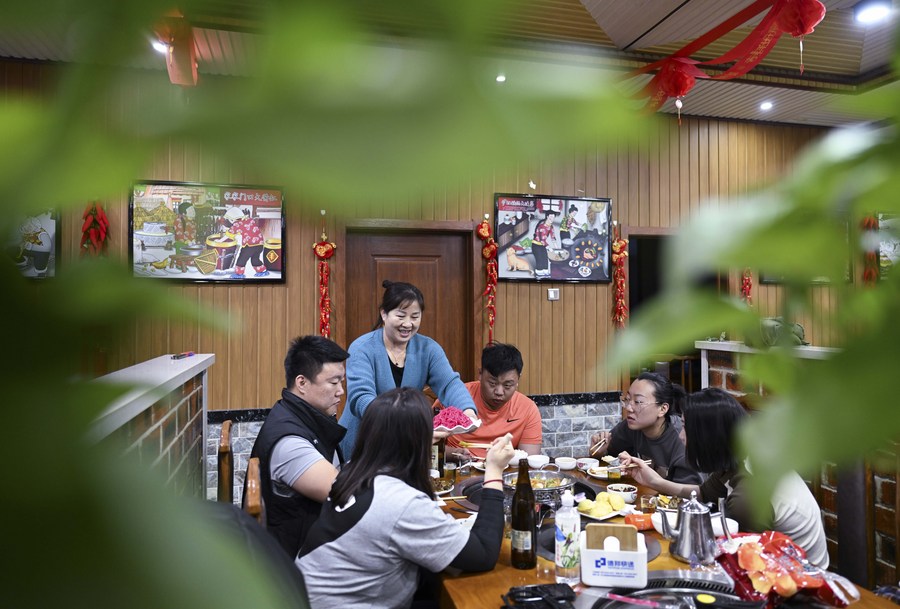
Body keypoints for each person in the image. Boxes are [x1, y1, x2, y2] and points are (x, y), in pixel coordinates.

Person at [297, 388, 514, 609]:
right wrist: (494, 470)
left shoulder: (352, 472)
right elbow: (484, 554)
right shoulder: (399, 503)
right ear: (416, 440)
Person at [623, 388, 829, 569]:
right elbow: (703, 493)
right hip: (768, 561)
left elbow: (746, 561)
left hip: (801, 584)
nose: (681, 436)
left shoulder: (749, 492)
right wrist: (654, 482)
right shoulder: (740, 456)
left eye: (686, 427)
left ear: (707, 436)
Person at [339, 280, 477, 455]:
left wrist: (467, 412)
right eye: (401, 315)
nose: (408, 324)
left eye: (415, 316)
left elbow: (449, 384)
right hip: (364, 444)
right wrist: (407, 428)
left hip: (405, 448)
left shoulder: (428, 348)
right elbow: (361, 398)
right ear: (384, 314)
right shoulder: (362, 348)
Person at [249, 335, 349, 558]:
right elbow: (344, 494)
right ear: (302, 383)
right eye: (333, 382)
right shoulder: (289, 442)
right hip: (298, 564)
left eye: (341, 381)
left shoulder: (301, 416)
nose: (341, 391)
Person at [590, 372, 701, 485]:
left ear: (663, 409)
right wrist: (599, 453)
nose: (628, 408)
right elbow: (610, 458)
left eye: (638, 402)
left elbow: (689, 492)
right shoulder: (631, 427)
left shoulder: (682, 438)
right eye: (627, 399)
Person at [440, 342, 542, 461]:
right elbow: (425, 446)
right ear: (480, 374)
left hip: (503, 473)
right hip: (458, 470)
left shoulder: (527, 409)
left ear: (518, 380)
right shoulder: (455, 396)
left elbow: (527, 460)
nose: (499, 391)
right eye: (492, 383)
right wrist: (454, 453)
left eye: (507, 385)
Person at [221, 206, 268, 279]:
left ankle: (239, 274)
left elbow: (229, 235)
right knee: (255, 259)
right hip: (260, 244)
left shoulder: (237, 224)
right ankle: (262, 271)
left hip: (249, 246)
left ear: (232, 218)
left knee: (242, 259)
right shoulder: (249, 220)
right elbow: (247, 230)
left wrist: (219, 241)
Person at [531, 210, 558, 277]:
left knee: (545, 259)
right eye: (550, 217)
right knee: (540, 260)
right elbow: (542, 240)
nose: (552, 219)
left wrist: (557, 249)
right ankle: (539, 275)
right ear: (547, 216)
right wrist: (549, 248)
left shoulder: (551, 227)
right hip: (536, 245)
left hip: (543, 245)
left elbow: (553, 238)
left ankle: (545, 274)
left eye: (553, 217)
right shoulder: (542, 226)